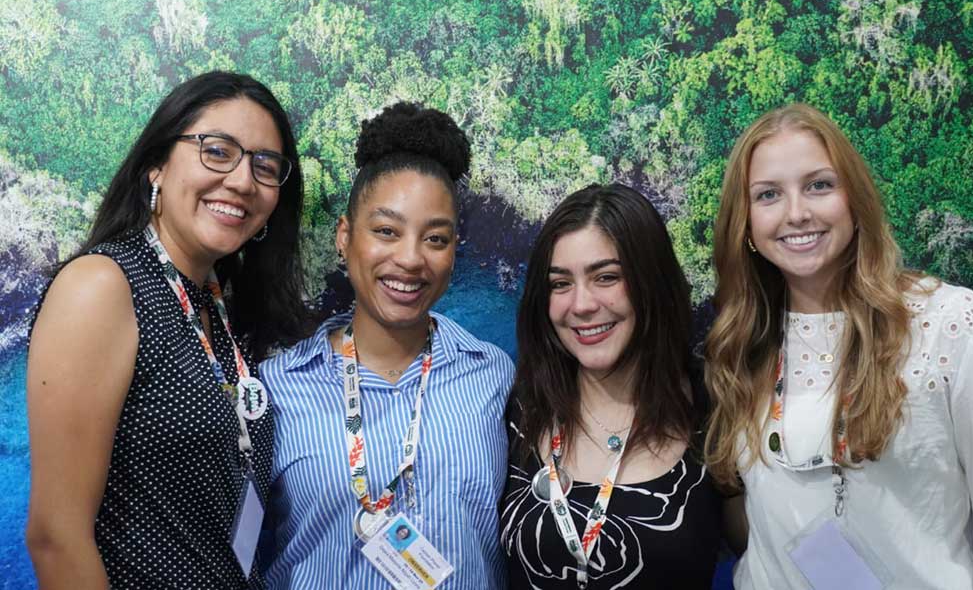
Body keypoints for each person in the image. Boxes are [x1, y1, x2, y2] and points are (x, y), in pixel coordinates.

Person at [25, 71, 308, 589]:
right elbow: (55, 537)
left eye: (264, 166)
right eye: (217, 151)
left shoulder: (216, 304)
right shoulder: (103, 287)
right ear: (157, 164)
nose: (243, 181)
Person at [705, 103, 973, 589]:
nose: (797, 212)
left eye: (819, 185)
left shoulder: (951, 325)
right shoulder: (742, 345)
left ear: (854, 200)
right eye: (768, 194)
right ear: (748, 224)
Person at [261, 102, 515, 589]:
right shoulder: (279, 388)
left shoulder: (492, 375)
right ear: (344, 236)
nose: (410, 258)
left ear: (453, 249)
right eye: (386, 231)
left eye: (435, 239)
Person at [501, 183, 735, 589]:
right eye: (560, 284)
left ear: (651, 282)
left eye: (606, 277)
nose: (582, 304)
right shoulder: (520, 406)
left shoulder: (716, 409)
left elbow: (781, 549)